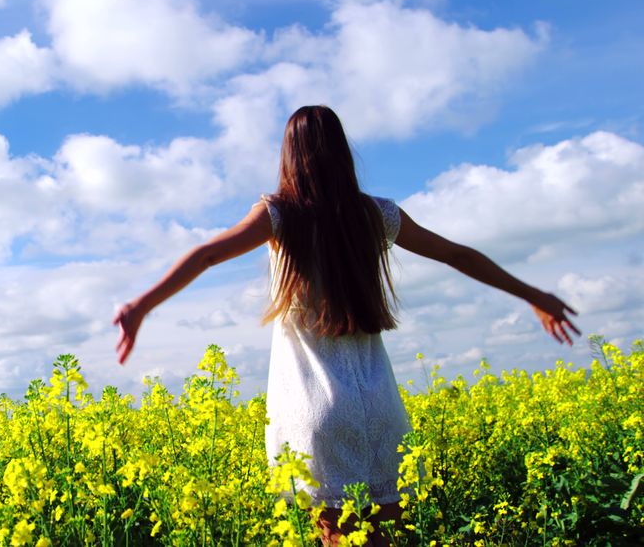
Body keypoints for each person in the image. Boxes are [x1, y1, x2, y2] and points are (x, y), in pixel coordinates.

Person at [112, 105, 580, 546]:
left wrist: (142, 304)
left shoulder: (280, 215)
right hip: (379, 408)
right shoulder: (376, 215)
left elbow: (210, 253)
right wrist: (535, 296)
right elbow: (458, 254)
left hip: (315, 411)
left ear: (290, 156)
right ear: (342, 151)